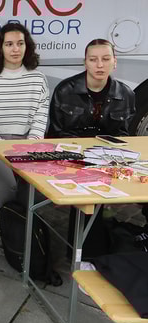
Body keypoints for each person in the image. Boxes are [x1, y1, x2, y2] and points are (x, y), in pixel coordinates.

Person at [47, 39, 142, 259]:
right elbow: (57, 133)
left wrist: (105, 158)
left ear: (114, 63)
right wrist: (86, 155)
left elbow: (123, 136)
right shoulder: (65, 90)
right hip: (71, 158)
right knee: (89, 189)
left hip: (107, 159)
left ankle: (117, 246)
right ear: (85, 63)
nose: (100, 65)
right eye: (93, 59)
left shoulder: (125, 94)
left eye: (106, 59)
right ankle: (85, 256)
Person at [0, 23, 49, 232]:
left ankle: (13, 223)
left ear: (27, 46)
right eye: (9, 44)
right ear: (0, 48)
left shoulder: (38, 79)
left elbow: (41, 116)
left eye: (20, 43)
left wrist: (30, 144)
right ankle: (6, 214)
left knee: (36, 186)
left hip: (24, 141)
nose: (15, 49)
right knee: (8, 186)